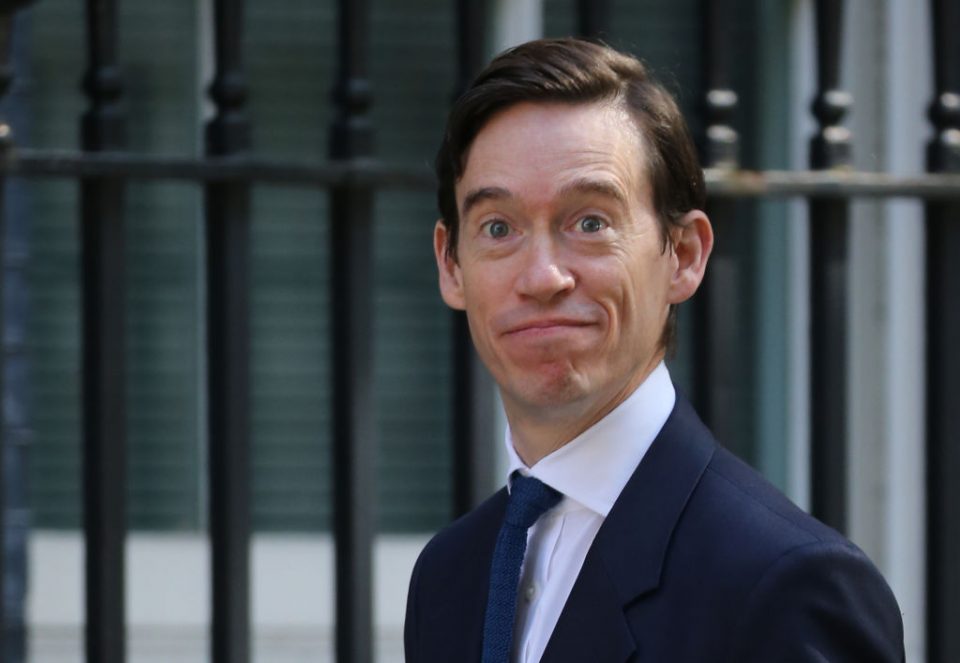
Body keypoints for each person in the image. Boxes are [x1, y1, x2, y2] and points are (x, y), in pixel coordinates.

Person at [404, 37, 904, 663]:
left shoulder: (785, 585)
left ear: (685, 255)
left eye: (590, 222)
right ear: (451, 266)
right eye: (498, 228)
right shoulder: (449, 577)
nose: (541, 276)